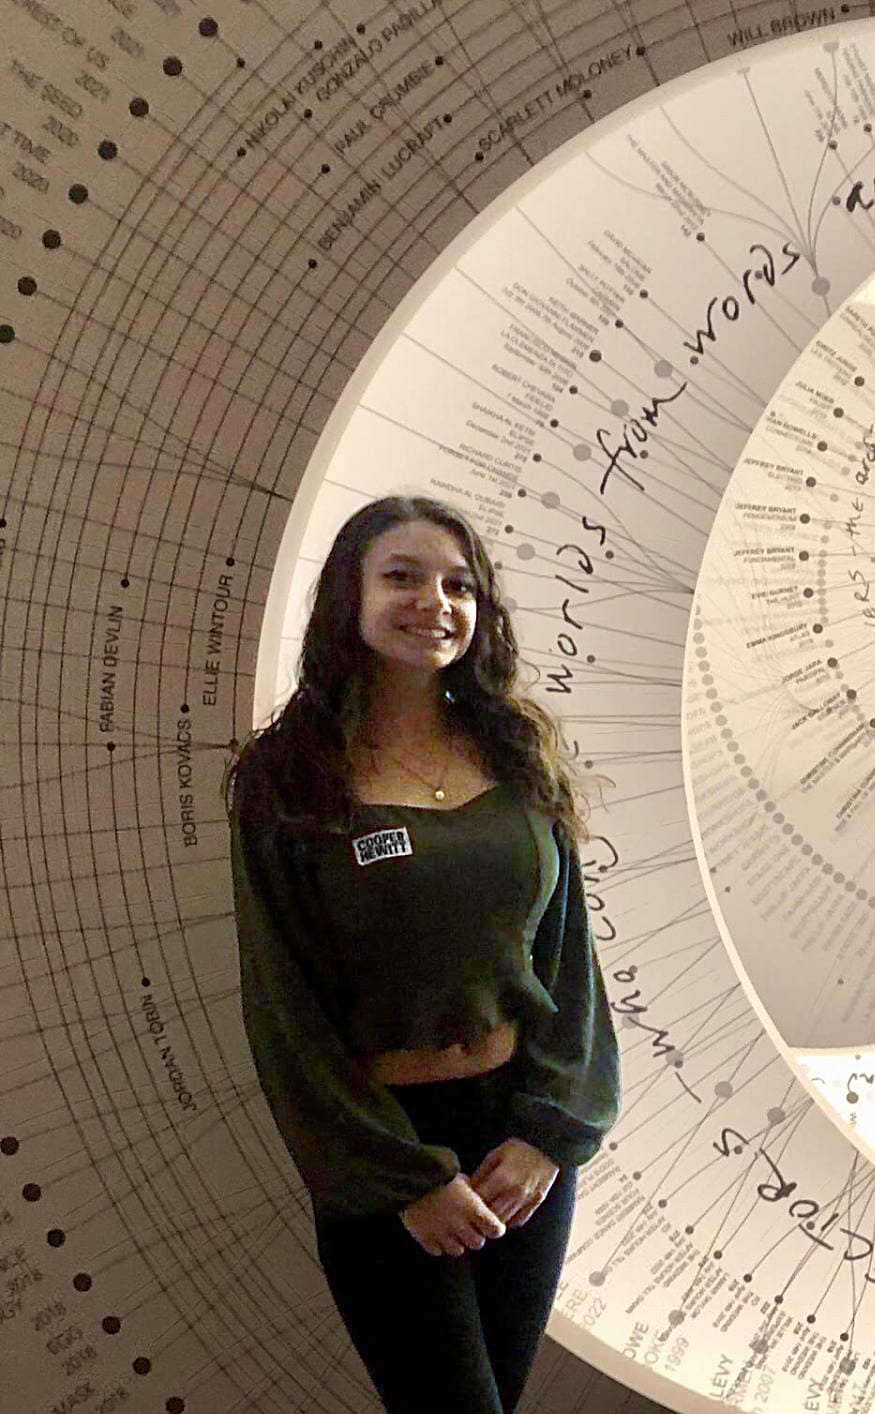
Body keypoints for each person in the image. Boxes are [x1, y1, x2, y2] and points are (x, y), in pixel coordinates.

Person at [224, 494, 619, 1414]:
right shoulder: (288, 776)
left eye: (458, 584)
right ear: (348, 598)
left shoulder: (518, 756)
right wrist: (405, 1179)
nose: (433, 601)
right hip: (386, 1151)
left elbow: (570, 971)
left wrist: (546, 1136)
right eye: (401, 577)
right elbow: (283, 1007)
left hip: (519, 1157)